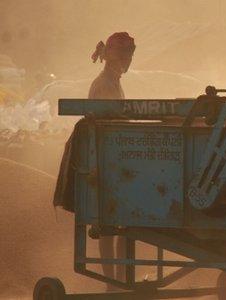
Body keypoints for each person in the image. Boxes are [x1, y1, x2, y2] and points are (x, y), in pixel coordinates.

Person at [89, 31, 135, 290]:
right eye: (124, 55)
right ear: (115, 57)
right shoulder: (104, 84)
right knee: (107, 226)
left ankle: (119, 279)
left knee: (122, 225)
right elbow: (108, 125)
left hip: (115, 161)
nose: (127, 61)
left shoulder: (114, 81)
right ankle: (112, 281)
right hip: (105, 162)